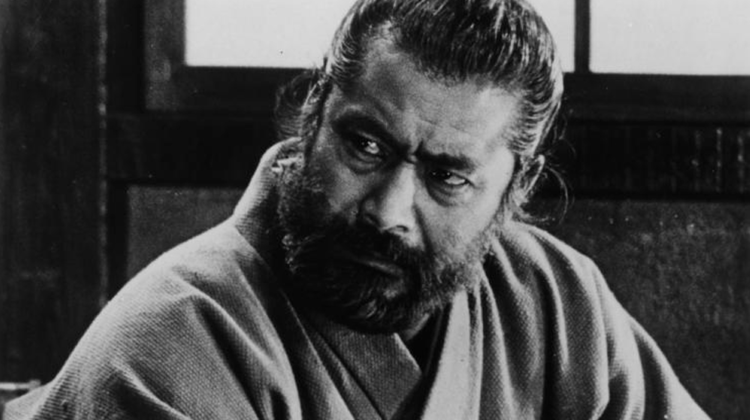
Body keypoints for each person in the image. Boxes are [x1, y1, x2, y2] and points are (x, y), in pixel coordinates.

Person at [3, 0, 709, 418]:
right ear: (315, 116)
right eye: (365, 146)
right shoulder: (170, 346)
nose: (388, 212)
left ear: (515, 188)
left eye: (446, 177)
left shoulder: (557, 301)